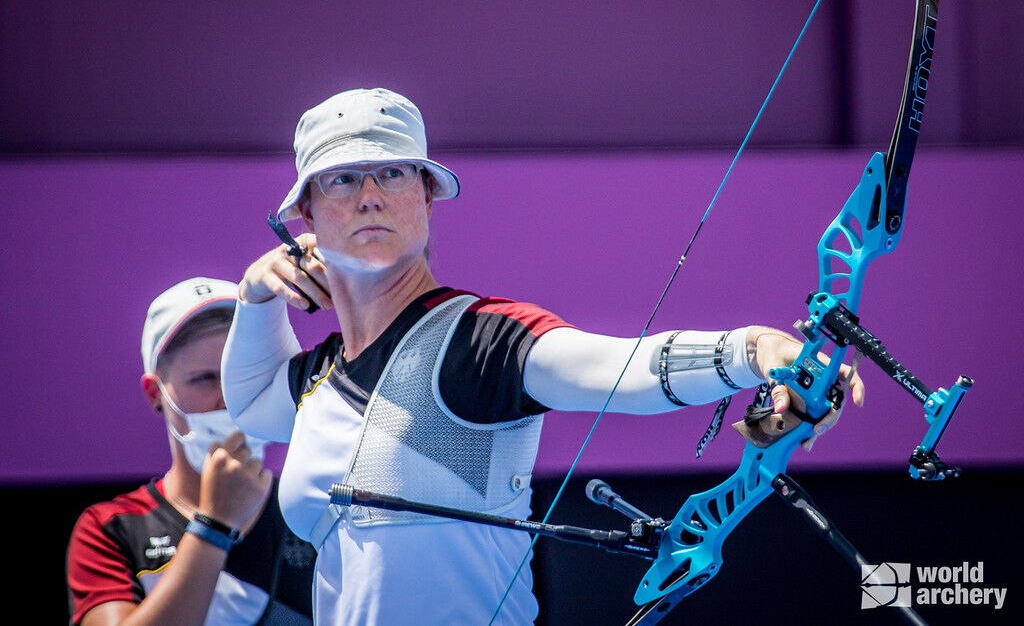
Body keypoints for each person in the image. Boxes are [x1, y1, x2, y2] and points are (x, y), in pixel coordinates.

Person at [221, 88, 864, 625]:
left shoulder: (479, 340)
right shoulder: (319, 378)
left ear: (425, 194)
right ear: (305, 211)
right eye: (341, 179)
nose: (369, 195)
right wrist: (255, 297)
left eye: (392, 172)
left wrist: (757, 350)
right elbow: (248, 405)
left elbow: (623, 370)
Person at [67, 278, 317, 626]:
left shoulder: (315, 513)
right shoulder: (111, 528)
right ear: (156, 393)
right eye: (205, 378)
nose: (228, 399)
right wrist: (215, 526)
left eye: (240, 377)